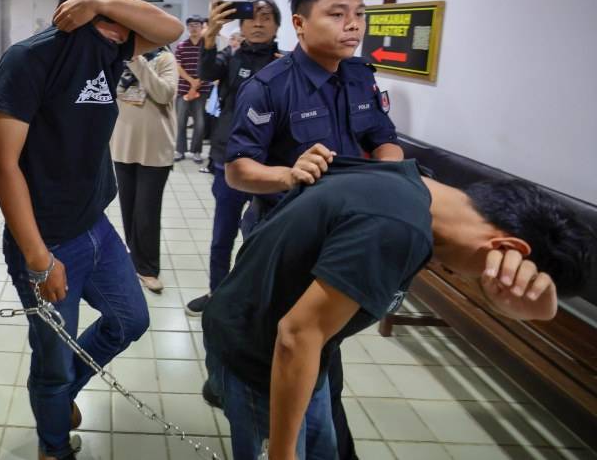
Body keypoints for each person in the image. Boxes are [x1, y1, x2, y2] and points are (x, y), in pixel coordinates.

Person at [203, 156, 594, 460]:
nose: (467, 278)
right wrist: (282, 453)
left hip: (285, 346)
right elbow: (296, 335)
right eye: (480, 276)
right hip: (259, 354)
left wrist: (537, 309)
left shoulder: (410, 181)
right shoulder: (397, 226)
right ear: (508, 249)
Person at [0, 0, 183, 460]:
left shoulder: (112, 48)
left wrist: (103, 1)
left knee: (130, 320)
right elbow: (2, 164)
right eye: (108, 20)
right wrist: (38, 258)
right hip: (46, 239)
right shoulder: (29, 58)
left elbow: (171, 29)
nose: (123, 33)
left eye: (122, 18)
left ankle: (60, 399)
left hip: (95, 226)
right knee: (53, 358)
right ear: (73, 16)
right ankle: (53, 446)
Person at [224, 0, 404, 459]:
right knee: (279, 350)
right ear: (301, 24)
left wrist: (390, 178)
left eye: (359, 14)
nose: (353, 25)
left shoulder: (360, 76)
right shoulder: (270, 86)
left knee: (321, 354)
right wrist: (288, 174)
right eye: (337, 14)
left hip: (344, 240)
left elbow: (383, 138)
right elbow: (238, 171)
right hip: (284, 241)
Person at [185, 0, 283, 317]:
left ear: (277, 26)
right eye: (252, 18)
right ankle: (217, 294)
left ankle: (254, 301)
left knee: (262, 236)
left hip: (271, 165)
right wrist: (211, 33)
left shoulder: (287, 64)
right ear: (241, 26)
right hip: (230, 159)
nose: (258, 24)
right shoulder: (230, 57)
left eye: (266, 18)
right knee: (222, 234)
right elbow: (205, 71)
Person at [110, 44, 179, 293]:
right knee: (128, 209)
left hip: (155, 150)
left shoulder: (165, 58)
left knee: (147, 212)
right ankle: (134, 259)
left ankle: (149, 268)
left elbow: (164, 94)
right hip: (123, 146)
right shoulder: (119, 60)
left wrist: (138, 62)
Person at [174, 16, 211, 164]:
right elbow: (177, 66)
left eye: (196, 25)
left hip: (202, 90)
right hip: (183, 89)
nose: (193, 28)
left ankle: (196, 151)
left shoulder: (207, 46)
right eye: (190, 25)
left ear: (202, 27)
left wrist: (197, 84)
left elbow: (210, 66)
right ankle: (180, 150)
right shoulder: (181, 46)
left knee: (200, 123)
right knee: (180, 122)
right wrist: (191, 81)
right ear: (187, 28)